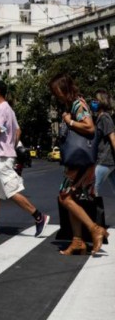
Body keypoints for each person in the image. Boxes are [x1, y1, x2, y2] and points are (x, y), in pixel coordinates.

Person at [0, 80, 50, 238]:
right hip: (1, 156)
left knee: (11, 192)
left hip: (3, 158)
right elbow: (18, 130)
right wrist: (10, 145)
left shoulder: (1, 108)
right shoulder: (9, 110)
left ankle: (39, 217)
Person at [49, 74, 109, 255]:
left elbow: (89, 127)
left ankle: (94, 229)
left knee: (64, 197)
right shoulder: (72, 104)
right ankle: (77, 241)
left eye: (56, 90)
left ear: (64, 88)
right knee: (71, 198)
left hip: (80, 162)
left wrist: (70, 121)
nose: (55, 94)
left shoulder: (77, 104)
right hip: (77, 161)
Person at [92, 89, 115, 197]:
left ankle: (90, 214)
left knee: (92, 189)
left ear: (101, 102)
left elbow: (113, 138)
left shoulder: (105, 118)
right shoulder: (100, 118)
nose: (93, 102)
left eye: (95, 100)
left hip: (104, 161)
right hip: (109, 161)